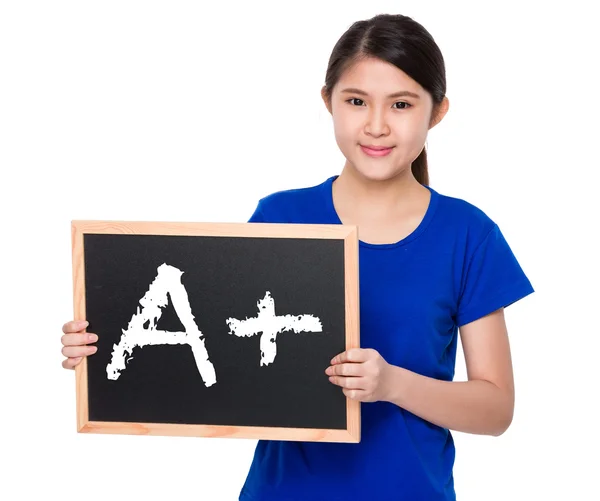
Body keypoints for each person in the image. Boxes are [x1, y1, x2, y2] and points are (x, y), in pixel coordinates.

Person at [60, 13, 534, 501]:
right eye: (356, 101)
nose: (376, 125)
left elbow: (496, 408)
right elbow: (215, 351)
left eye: (401, 104)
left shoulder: (468, 235)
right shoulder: (280, 215)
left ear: (437, 111)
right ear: (327, 101)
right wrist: (105, 347)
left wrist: (391, 383)